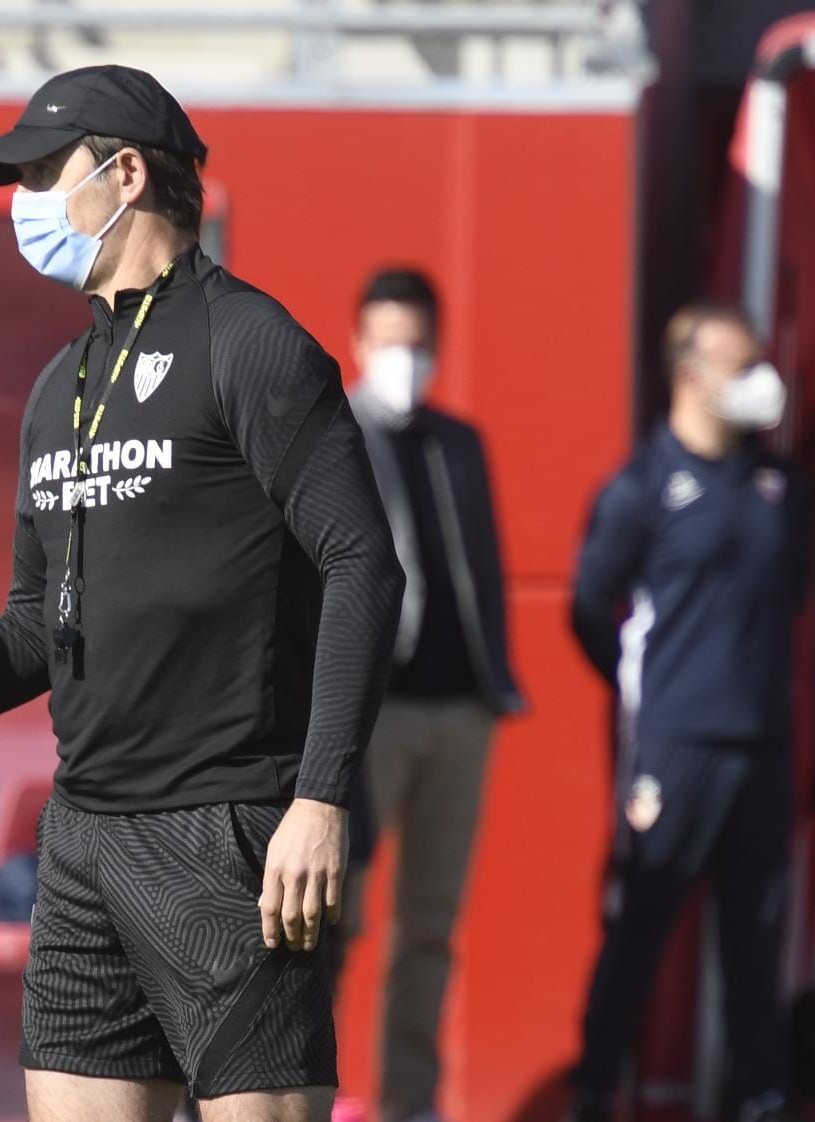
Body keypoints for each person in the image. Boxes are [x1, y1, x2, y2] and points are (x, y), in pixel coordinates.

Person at [0, 64, 404, 1122]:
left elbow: (364, 564)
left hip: (225, 832)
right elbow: (28, 629)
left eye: (43, 172)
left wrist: (318, 800)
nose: (24, 203)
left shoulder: (252, 344)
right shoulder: (60, 388)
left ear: (125, 173)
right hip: (82, 840)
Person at [568, 304, 806, 1122]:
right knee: (641, 928)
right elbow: (590, 609)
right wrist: (654, 697)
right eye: (741, 367)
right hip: (676, 752)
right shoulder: (641, 490)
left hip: (764, 747)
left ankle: (761, 1097)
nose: (759, 382)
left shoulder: (777, 486)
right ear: (691, 376)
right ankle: (595, 1091)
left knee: (755, 937)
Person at [342, 268, 524, 1122]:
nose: (403, 360)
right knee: (331, 918)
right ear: (358, 344)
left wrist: (497, 685)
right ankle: (302, 1097)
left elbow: (478, 570)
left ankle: (407, 1106)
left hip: (463, 713)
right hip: (367, 715)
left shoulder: (462, 442)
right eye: (388, 342)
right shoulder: (331, 435)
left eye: (417, 344)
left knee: (429, 930)